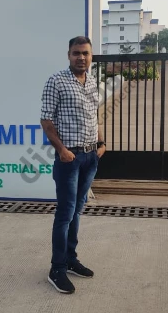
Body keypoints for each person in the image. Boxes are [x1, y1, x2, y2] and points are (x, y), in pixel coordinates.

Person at [40, 35, 106, 294]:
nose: (81, 57)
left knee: (77, 211)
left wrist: (102, 143)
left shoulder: (93, 82)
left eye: (85, 53)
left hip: (90, 157)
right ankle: (56, 268)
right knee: (65, 213)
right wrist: (62, 150)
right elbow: (46, 120)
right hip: (69, 158)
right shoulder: (56, 81)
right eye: (76, 53)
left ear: (91, 56)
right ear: (69, 55)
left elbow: (95, 116)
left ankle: (70, 259)